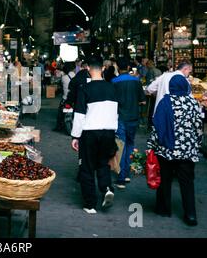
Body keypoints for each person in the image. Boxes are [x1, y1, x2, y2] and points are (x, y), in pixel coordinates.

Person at [147, 75, 203, 226]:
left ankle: (164, 209)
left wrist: (151, 145)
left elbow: (157, 127)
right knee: (187, 183)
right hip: (187, 151)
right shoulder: (193, 103)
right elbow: (198, 127)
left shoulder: (165, 102)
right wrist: (197, 144)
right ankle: (190, 214)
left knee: (164, 180)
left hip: (166, 149)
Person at [71, 55, 118, 214]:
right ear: (103, 69)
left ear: (88, 70)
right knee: (103, 163)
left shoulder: (85, 89)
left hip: (90, 133)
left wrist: (75, 136)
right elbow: (116, 112)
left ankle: (90, 204)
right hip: (109, 132)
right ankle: (106, 189)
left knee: (87, 167)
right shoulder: (112, 88)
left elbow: (79, 115)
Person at [111, 58, 146, 189]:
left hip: (120, 117)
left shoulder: (114, 82)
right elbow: (142, 101)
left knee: (121, 145)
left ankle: (121, 178)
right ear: (128, 67)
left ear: (118, 68)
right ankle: (126, 174)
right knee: (130, 144)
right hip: (133, 116)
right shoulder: (136, 81)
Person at [53, 62, 76, 132]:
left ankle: (58, 127)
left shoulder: (64, 77)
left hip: (65, 98)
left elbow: (61, 86)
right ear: (73, 68)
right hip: (75, 99)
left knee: (60, 113)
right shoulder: (77, 76)